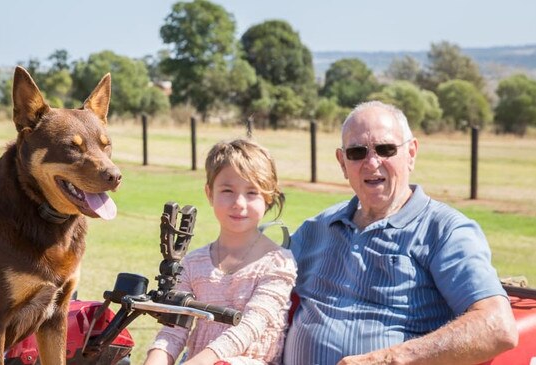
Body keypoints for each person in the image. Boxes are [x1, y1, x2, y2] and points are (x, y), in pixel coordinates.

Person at [283, 101, 518, 365]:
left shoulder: (445, 231)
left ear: (411, 153)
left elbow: (498, 326)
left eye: (386, 149)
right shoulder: (317, 228)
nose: (372, 163)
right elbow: (260, 278)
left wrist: (388, 359)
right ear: (342, 162)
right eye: (357, 152)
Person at [144, 138, 297, 365]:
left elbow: (250, 326)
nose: (239, 203)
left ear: (268, 197)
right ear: (209, 193)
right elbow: (173, 330)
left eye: (252, 192)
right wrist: (155, 359)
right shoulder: (193, 263)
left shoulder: (278, 262)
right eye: (227, 190)